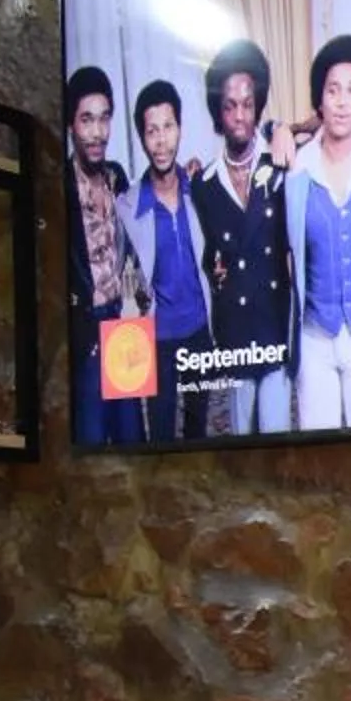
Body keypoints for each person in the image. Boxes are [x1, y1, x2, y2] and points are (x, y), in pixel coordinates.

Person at [282, 36, 351, 430]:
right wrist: (280, 129)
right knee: (319, 451)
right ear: (320, 100)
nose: (342, 102)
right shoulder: (297, 167)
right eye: (333, 90)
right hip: (314, 335)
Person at [191, 39, 295, 436]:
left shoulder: (280, 163)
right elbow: (204, 254)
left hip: (274, 325)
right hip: (234, 331)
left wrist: (282, 128)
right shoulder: (203, 184)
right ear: (218, 111)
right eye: (230, 106)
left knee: (276, 435)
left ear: (258, 106)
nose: (239, 116)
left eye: (248, 105)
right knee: (240, 439)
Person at [116, 79, 208, 443]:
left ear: (180, 129)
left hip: (200, 331)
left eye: (168, 127)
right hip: (158, 338)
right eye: (152, 131)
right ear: (142, 138)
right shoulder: (127, 206)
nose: (161, 140)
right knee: (162, 436)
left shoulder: (199, 189)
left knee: (199, 431)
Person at [63, 65, 146, 445]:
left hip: (124, 328)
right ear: (71, 125)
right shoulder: (61, 187)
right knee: (92, 447)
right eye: (86, 120)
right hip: (86, 332)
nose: (97, 132)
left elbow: (134, 248)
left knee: (133, 443)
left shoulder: (117, 177)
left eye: (104, 118)